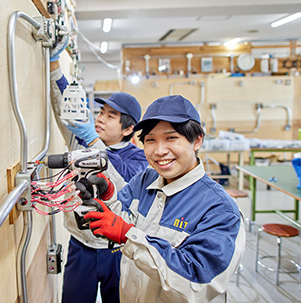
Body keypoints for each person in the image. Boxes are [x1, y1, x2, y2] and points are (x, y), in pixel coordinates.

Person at [83, 95, 246, 303]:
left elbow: (198, 284)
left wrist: (127, 237)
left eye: (171, 138)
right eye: (150, 140)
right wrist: (108, 195)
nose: (159, 151)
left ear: (196, 140)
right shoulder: (146, 179)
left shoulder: (220, 210)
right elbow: (120, 219)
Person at [49, 45, 148, 302]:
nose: (100, 119)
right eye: (101, 113)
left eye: (111, 116)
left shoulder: (138, 159)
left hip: (118, 249)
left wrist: (93, 142)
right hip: (80, 246)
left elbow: (123, 185)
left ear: (128, 129)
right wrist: (54, 65)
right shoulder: (82, 142)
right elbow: (66, 104)